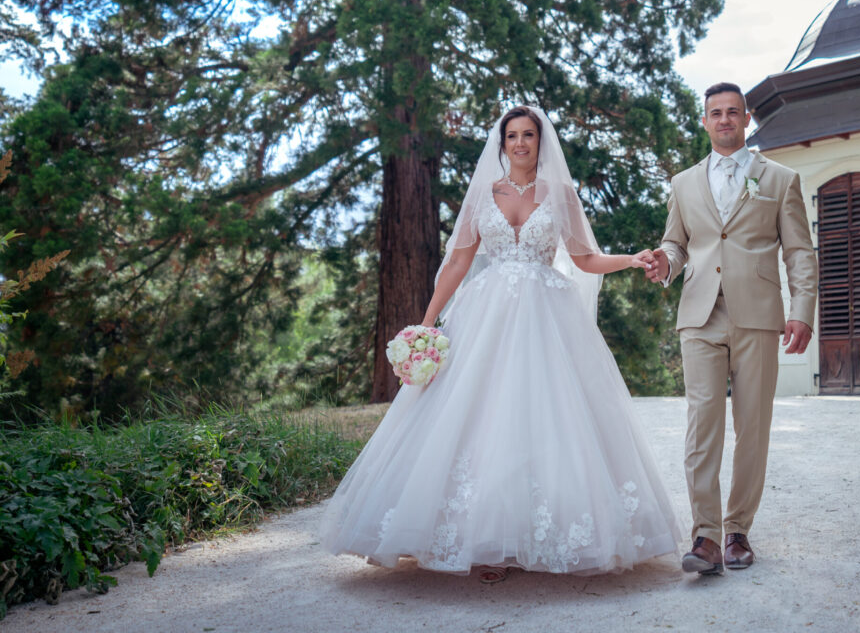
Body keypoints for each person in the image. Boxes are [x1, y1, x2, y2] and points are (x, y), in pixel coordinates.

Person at [320, 105, 681, 583]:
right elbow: (457, 263)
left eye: (528, 134)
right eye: (512, 135)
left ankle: (535, 537)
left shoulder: (560, 194)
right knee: (482, 415)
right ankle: (484, 542)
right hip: (485, 315)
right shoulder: (482, 195)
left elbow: (585, 259)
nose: (520, 143)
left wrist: (631, 259)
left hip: (547, 319)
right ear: (502, 143)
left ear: (540, 141)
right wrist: (426, 325)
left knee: (544, 417)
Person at [645, 82, 817, 575]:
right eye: (715, 113)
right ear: (704, 121)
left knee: (752, 426)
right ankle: (705, 536)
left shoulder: (780, 179)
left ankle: (738, 529)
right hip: (699, 315)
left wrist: (802, 309)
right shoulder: (683, 183)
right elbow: (676, 243)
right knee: (703, 423)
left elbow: (798, 250)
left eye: (732, 112)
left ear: (746, 119)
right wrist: (665, 262)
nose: (724, 120)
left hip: (758, 315)